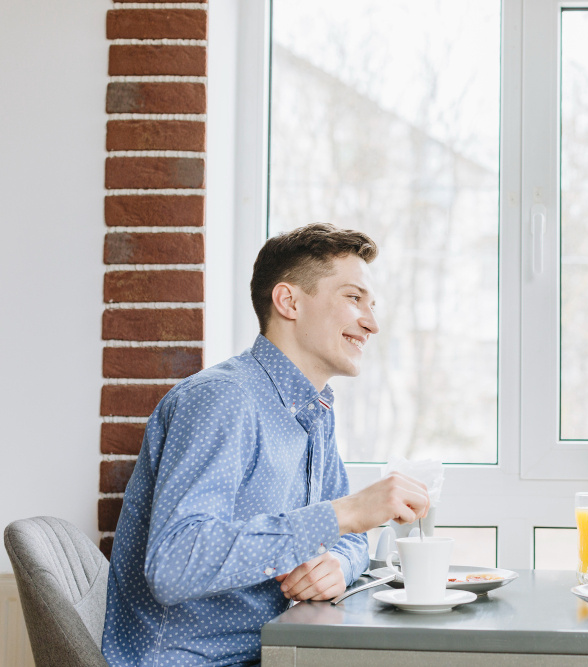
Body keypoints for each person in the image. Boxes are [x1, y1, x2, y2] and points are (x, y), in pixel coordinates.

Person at [102, 223, 430, 666]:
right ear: (289, 301)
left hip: (275, 651)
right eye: (354, 298)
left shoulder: (314, 410)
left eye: (372, 304)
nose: (371, 322)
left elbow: (347, 539)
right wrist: (347, 513)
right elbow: (175, 566)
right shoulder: (221, 400)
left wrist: (336, 565)